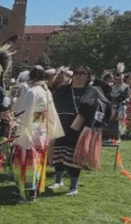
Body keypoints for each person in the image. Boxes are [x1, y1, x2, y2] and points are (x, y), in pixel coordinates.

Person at [49, 66, 111, 196]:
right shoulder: (63, 90)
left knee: (75, 157)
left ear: (88, 77)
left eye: (82, 73)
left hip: (80, 128)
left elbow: (106, 106)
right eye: (76, 73)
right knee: (59, 153)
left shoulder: (93, 91)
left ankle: (73, 187)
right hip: (62, 124)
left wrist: (93, 119)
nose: (78, 75)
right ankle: (58, 181)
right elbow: (52, 104)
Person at [12, 66, 64, 201]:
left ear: (31, 78)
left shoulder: (32, 92)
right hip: (42, 131)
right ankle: (33, 189)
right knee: (37, 161)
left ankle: (28, 192)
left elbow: (24, 112)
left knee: (28, 161)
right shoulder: (46, 91)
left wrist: (16, 121)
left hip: (30, 130)